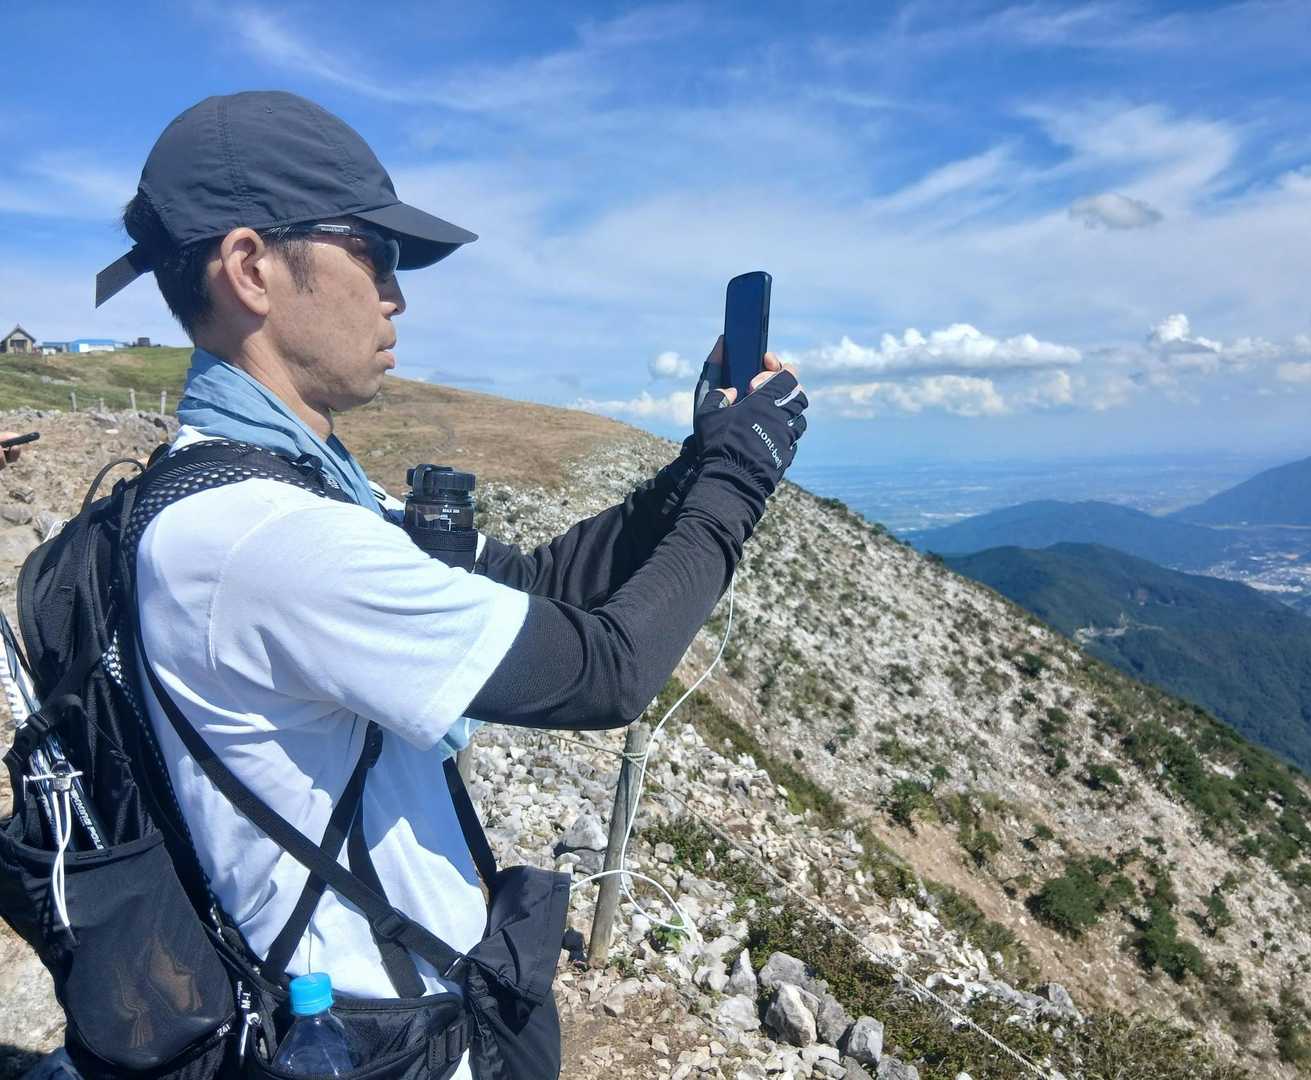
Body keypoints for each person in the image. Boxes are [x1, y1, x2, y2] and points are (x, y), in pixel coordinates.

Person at [92, 91, 807, 1072]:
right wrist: (741, 476)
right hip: (376, 1040)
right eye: (375, 254)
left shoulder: (277, 491)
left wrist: (700, 462)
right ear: (251, 267)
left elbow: (544, 581)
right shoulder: (269, 541)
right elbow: (609, 671)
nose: (397, 296)